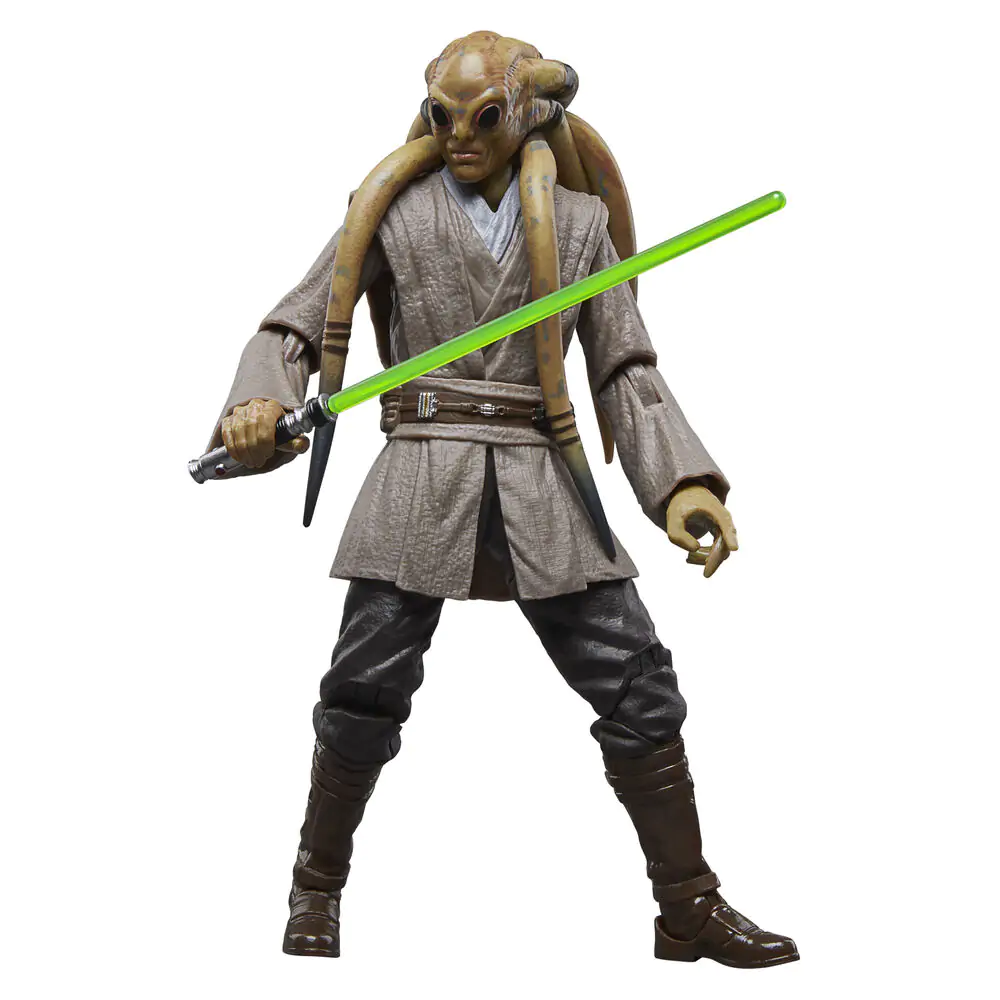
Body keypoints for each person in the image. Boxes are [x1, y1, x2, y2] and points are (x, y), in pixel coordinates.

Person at [205, 31, 797, 967]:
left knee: (639, 686)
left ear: (528, 114)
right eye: (443, 117)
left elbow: (625, 365)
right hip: (421, 474)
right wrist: (258, 403)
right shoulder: (388, 212)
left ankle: (688, 906)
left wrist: (679, 482)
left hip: (541, 478)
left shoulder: (580, 223)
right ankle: (314, 890)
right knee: (361, 692)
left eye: (483, 119)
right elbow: (297, 319)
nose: (461, 138)